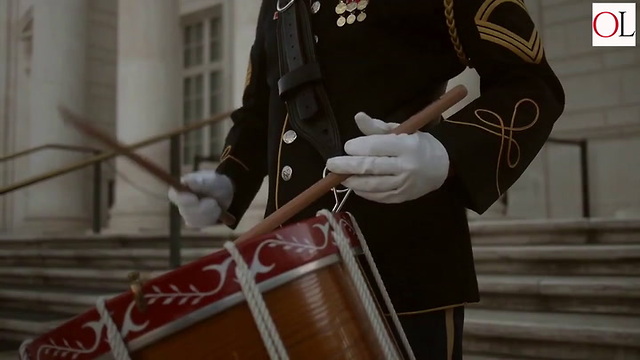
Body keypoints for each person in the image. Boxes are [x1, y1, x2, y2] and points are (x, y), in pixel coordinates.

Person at [168, 0, 565, 358]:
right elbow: (260, 108)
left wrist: (448, 152)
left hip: (401, 262)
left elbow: (529, 82)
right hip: (289, 270)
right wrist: (230, 180)